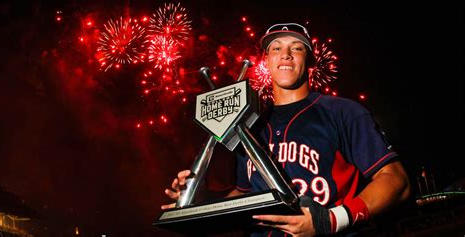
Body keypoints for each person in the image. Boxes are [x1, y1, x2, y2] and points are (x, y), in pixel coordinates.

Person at [162, 22, 410, 237]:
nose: (286, 54)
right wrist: (199, 200)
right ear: (267, 61)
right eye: (276, 48)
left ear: (310, 60)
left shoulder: (343, 112)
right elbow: (246, 193)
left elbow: (396, 181)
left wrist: (332, 220)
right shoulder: (247, 123)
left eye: (297, 48)